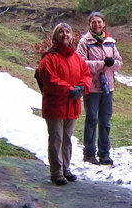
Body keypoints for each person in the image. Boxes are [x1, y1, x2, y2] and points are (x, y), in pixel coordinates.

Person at [36, 22, 91, 185]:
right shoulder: (48, 58)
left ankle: (66, 169)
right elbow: (50, 80)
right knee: (56, 138)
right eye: (61, 32)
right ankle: (56, 172)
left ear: (72, 36)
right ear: (55, 36)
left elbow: (86, 74)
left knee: (67, 138)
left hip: (72, 105)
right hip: (55, 105)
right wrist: (70, 89)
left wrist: (82, 88)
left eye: (67, 32)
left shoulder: (76, 58)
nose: (65, 35)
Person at [77, 11, 123, 166]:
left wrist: (112, 63)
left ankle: (104, 154)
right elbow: (81, 63)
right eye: (93, 22)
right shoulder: (84, 42)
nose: (97, 25)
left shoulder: (110, 42)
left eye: (99, 22)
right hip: (91, 87)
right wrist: (102, 63)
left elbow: (119, 63)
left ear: (104, 24)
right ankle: (89, 153)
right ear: (89, 24)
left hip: (107, 88)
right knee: (91, 120)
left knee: (105, 122)